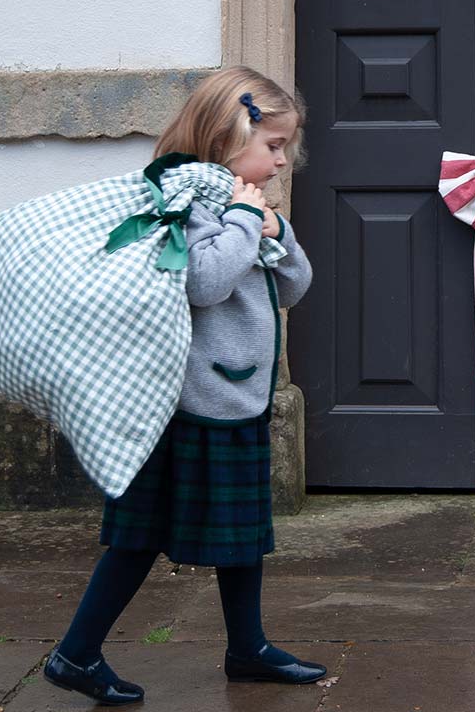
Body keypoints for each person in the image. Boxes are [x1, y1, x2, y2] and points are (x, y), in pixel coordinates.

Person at [43, 66, 326, 705]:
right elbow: (203, 281)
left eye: (285, 147)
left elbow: (293, 287)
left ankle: (246, 647)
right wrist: (245, 223)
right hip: (190, 399)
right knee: (139, 535)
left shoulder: (242, 202)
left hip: (233, 393)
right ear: (228, 136)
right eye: (273, 146)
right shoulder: (189, 197)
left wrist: (275, 234)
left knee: (241, 531)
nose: (282, 160)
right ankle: (76, 653)